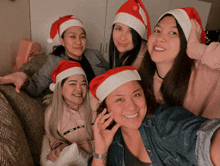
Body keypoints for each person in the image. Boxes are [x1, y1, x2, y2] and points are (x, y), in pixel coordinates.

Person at [88, 66, 220, 166]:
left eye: (136, 95)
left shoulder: (164, 121)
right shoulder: (114, 141)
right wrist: (101, 149)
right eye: (120, 99)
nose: (132, 107)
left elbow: (203, 138)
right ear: (106, 108)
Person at [138, 7, 220, 119]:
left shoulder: (206, 73)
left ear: (186, 43)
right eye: (157, 30)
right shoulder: (143, 74)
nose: (160, 38)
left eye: (173, 33)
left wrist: (197, 49)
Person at [0, 15, 109, 97]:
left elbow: (110, 74)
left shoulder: (94, 54)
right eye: (72, 37)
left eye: (82, 37)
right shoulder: (55, 60)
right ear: (62, 41)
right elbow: (37, 87)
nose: (79, 42)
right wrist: (24, 79)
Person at [41, 60, 99, 165]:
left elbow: (115, 132)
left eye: (83, 84)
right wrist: (59, 146)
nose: (79, 89)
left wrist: (92, 145)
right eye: (73, 84)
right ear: (60, 87)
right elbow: (51, 136)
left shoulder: (95, 102)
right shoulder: (51, 112)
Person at [109, 0, 151, 69]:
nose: (122, 38)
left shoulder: (146, 61)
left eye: (130, 31)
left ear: (138, 35)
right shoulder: (122, 52)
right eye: (119, 29)